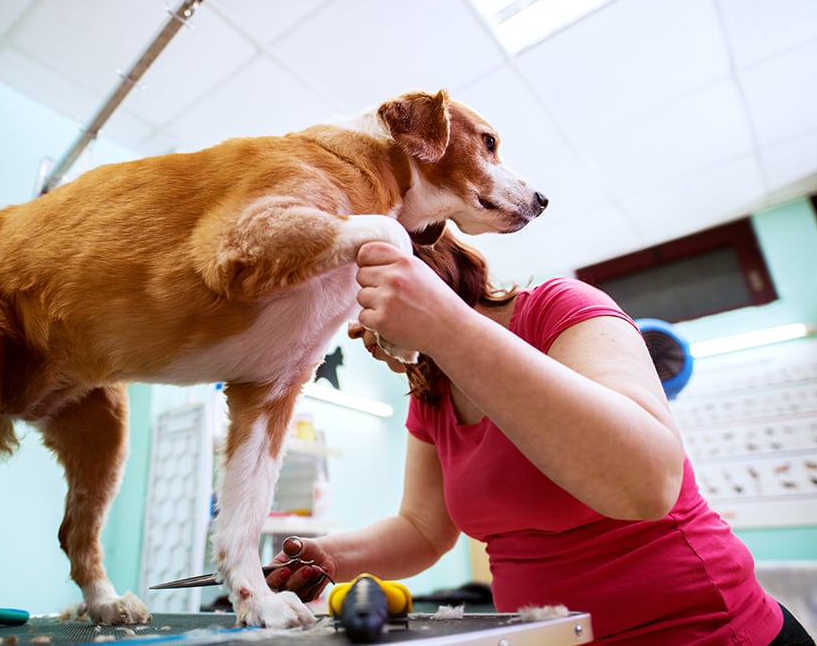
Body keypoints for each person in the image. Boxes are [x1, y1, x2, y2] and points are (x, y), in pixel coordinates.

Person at [265, 231, 814, 645]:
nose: (359, 334)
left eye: (360, 309)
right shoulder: (430, 394)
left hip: (708, 633)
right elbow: (422, 530)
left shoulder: (559, 309)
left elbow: (648, 483)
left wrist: (441, 324)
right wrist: (330, 557)